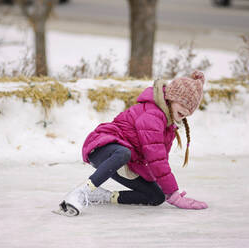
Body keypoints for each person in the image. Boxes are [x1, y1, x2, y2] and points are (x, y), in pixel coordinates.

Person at [56, 71, 208, 217]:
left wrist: (167, 191)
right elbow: (156, 158)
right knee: (123, 153)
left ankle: (102, 196)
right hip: (104, 147)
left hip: (125, 159)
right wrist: (174, 194)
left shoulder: (168, 123)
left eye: (190, 110)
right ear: (171, 98)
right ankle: (81, 192)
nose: (186, 112)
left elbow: (158, 160)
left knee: (157, 196)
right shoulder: (153, 115)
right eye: (183, 105)